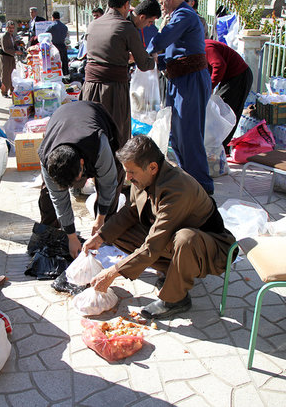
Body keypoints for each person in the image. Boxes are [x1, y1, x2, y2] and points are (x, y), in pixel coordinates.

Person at [83, 135, 235, 319]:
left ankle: (175, 299)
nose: (128, 178)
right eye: (126, 172)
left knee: (185, 239)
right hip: (173, 238)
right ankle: (171, 272)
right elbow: (130, 211)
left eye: (132, 173)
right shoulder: (144, 177)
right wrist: (100, 236)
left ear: (153, 167)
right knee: (116, 232)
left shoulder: (177, 189)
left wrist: (113, 272)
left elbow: (154, 244)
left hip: (214, 249)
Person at [38, 101, 125, 258]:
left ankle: (106, 232)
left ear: (82, 163)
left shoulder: (98, 144)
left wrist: (100, 219)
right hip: (61, 117)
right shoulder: (46, 156)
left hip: (92, 115)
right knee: (48, 193)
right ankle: (50, 231)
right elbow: (59, 199)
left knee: (115, 177)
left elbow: (108, 183)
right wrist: (71, 236)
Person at [147, 0, 213, 194]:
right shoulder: (179, 15)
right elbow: (170, 52)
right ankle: (188, 179)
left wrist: (142, 51)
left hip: (190, 80)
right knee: (175, 134)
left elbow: (160, 42)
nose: (162, 8)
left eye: (161, 2)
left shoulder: (184, 14)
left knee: (189, 134)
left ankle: (202, 187)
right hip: (178, 80)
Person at [81, 0, 156, 148]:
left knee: (93, 134)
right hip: (112, 91)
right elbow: (144, 64)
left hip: (89, 88)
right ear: (126, 5)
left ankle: (94, 171)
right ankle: (115, 172)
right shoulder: (126, 27)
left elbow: (106, 54)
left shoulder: (93, 24)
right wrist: (153, 59)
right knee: (116, 138)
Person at [205, 39, 253, 151]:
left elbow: (219, 65)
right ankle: (218, 149)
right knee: (220, 112)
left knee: (225, 114)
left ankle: (220, 150)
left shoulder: (206, 47)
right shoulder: (201, 48)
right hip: (230, 79)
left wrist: (211, 86)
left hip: (238, 77)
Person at [0, 20, 22, 97]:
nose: (11, 29)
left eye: (12, 28)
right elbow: (5, 49)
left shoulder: (12, 36)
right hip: (5, 57)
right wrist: (15, 52)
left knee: (13, 74)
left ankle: (12, 91)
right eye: (10, 28)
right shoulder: (4, 36)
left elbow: (13, 45)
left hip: (11, 57)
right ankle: (4, 92)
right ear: (6, 28)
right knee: (5, 75)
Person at [46, 11, 69, 75]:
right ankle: (65, 77)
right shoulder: (64, 27)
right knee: (64, 64)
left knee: (55, 65)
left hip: (54, 48)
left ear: (52, 17)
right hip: (63, 47)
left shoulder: (51, 26)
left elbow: (45, 35)